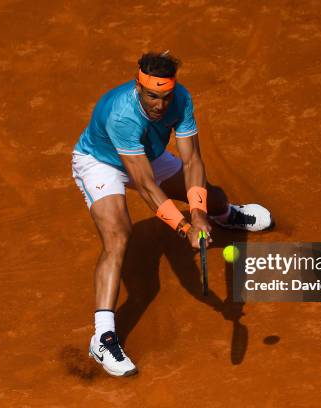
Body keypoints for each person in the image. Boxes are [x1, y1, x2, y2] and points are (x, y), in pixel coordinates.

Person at [71, 51, 272, 377]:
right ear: (138, 86)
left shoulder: (181, 100)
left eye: (165, 97)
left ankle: (225, 216)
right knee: (118, 235)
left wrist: (200, 213)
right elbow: (146, 186)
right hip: (102, 163)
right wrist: (184, 226)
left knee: (214, 198)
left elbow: (192, 161)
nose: (160, 105)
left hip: (146, 155)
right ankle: (103, 337)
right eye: (152, 96)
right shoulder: (122, 115)